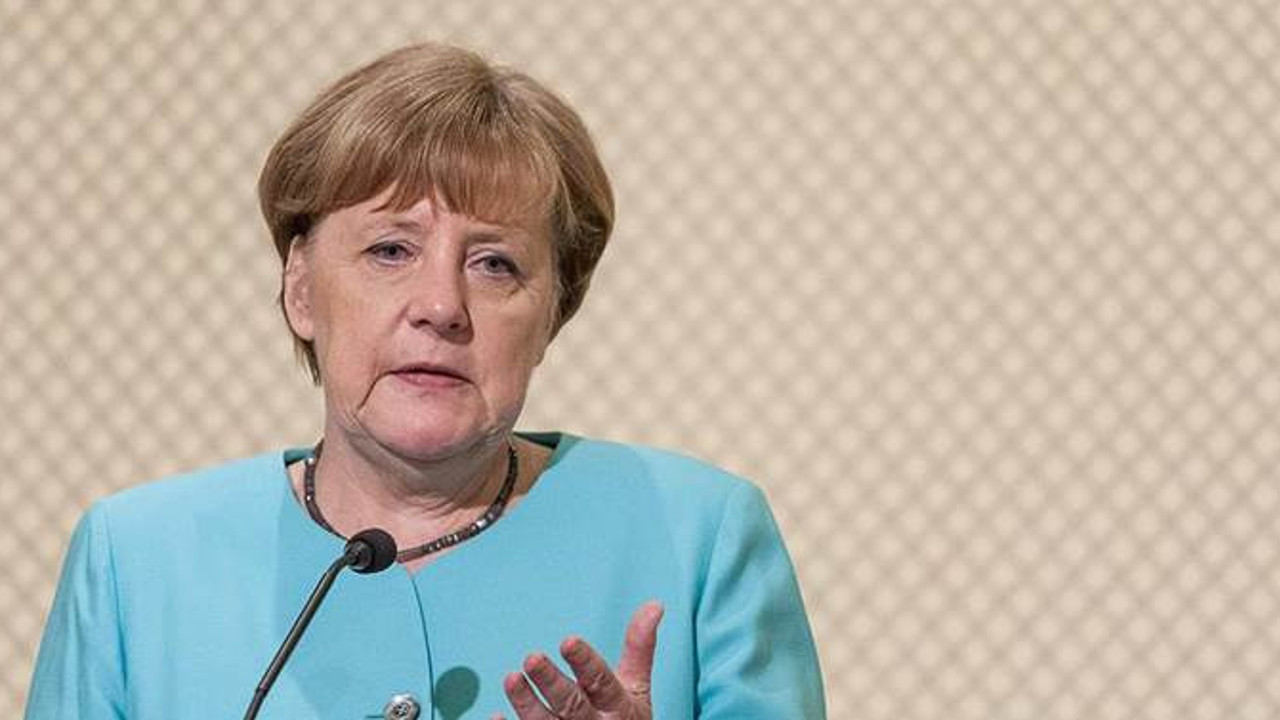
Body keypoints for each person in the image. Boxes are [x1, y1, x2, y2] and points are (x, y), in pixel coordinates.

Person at [24, 42, 825, 720]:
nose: (441, 306)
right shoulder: (136, 563)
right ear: (300, 288)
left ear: (552, 314)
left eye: (495, 264)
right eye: (390, 250)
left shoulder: (699, 540)